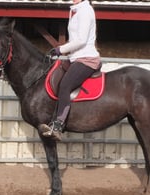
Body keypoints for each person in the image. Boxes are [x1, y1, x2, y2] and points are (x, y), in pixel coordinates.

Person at [39, 0, 101, 141]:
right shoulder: (75, 10)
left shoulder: (85, 11)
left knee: (65, 85)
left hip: (87, 58)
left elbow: (81, 40)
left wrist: (60, 49)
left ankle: (59, 124)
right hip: (75, 57)